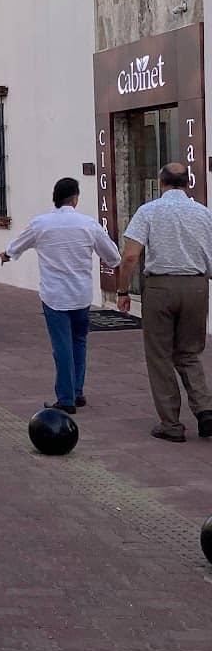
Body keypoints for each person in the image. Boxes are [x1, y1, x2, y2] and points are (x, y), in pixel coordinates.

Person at [0, 176, 121, 416]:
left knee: (61, 345)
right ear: (75, 199)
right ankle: (77, 391)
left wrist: (7, 255)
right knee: (79, 341)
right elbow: (113, 256)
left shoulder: (41, 224)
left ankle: (65, 398)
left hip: (54, 295)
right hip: (81, 294)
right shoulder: (88, 224)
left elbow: (17, 245)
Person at [115, 162, 212, 442]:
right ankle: (205, 410)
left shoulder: (149, 211)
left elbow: (130, 256)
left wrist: (123, 291)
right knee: (190, 352)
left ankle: (171, 423)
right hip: (196, 285)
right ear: (188, 183)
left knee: (160, 356)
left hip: (160, 286)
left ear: (161, 182)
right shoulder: (204, 213)